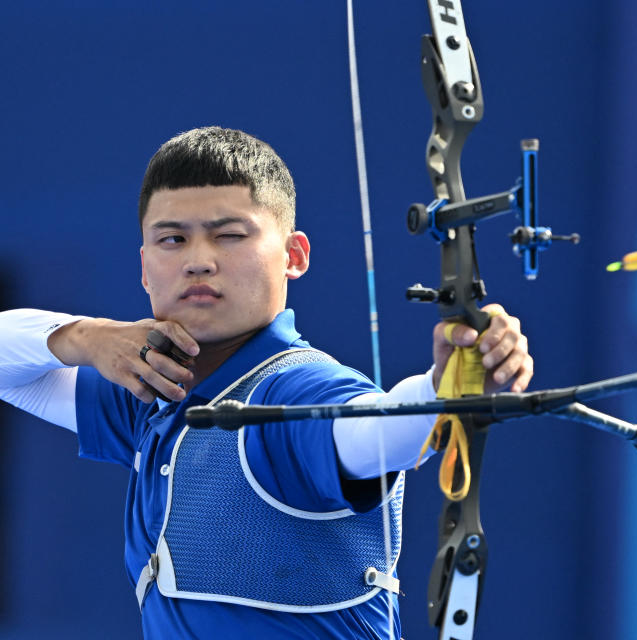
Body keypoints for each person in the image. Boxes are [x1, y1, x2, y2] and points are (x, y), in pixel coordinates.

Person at [0, 127, 533, 639]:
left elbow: (370, 432)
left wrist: (443, 388)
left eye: (230, 235)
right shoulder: (155, 388)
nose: (198, 261)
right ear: (144, 268)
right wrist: (85, 337)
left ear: (294, 256)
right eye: (172, 239)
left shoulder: (297, 388)